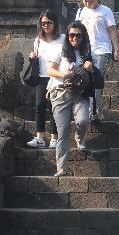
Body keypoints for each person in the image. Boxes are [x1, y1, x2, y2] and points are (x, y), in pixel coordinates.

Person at [47, 21, 93, 177]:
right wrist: (63, 75)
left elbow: (93, 74)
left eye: (78, 35)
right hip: (60, 94)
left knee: (83, 120)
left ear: (83, 36)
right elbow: (49, 69)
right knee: (63, 131)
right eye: (71, 35)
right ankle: (61, 168)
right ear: (67, 36)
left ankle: (79, 137)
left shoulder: (86, 52)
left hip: (80, 93)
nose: (74, 38)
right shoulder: (61, 50)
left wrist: (90, 68)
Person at [76, 0, 119, 120]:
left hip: (102, 50)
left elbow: (112, 30)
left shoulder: (105, 11)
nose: (86, 3)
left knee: (95, 79)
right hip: (85, 51)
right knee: (85, 80)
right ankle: (97, 109)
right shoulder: (81, 12)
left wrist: (116, 49)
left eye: (89, 1)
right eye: (84, 1)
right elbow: (76, 31)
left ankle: (93, 111)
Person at [26, 11, 63, 149]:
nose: (46, 25)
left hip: (56, 77)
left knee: (53, 107)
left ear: (54, 24)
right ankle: (40, 138)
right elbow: (36, 59)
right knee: (39, 106)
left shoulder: (62, 39)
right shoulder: (38, 41)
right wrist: (32, 57)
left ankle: (54, 138)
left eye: (48, 23)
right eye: (43, 23)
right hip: (42, 77)